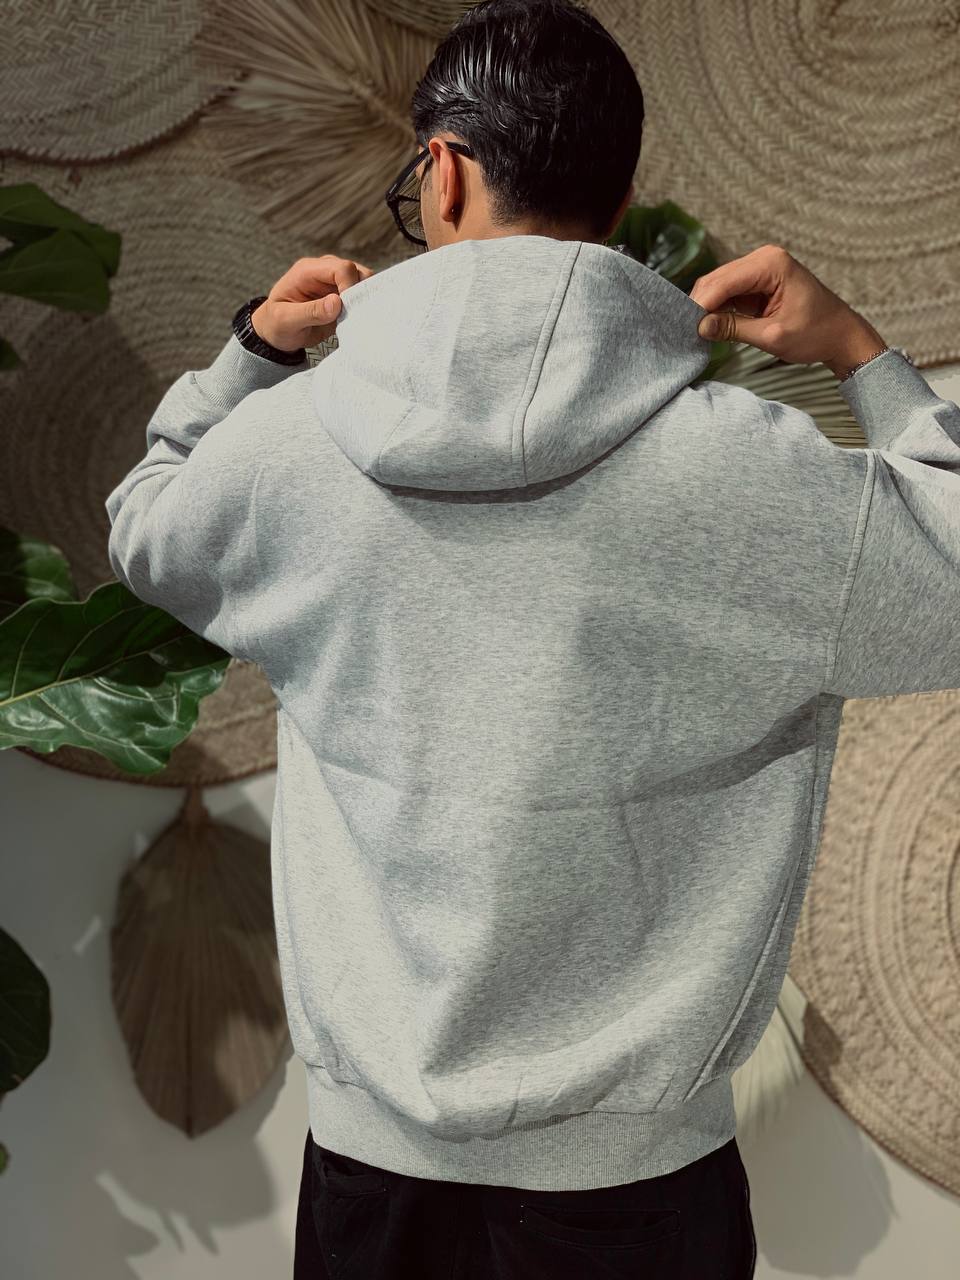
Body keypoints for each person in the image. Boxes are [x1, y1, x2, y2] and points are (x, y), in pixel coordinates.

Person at [103, 2, 960, 1277]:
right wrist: (857, 353)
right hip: (640, 1193)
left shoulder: (293, 450)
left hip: (373, 1178)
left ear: (441, 171)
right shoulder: (749, 474)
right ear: (618, 200)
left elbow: (145, 523)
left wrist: (249, 357)